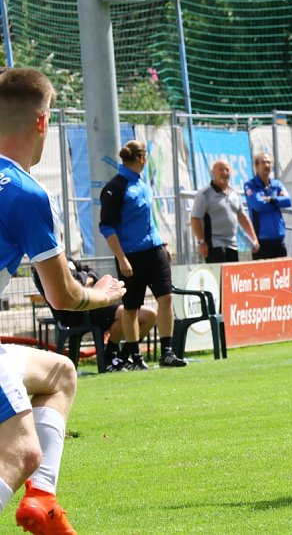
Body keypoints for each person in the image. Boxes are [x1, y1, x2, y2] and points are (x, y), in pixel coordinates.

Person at [0, 67, 125, 535]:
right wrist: (101, 294)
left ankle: (42, 500)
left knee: (61, 373)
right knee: (21, 452)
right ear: (41, 121)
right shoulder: (24, 192)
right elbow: (64, 296)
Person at [100, 140, 187, 368]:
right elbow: (107, 227)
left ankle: (167, 352)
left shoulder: (142, 184)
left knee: (166, 298)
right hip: (130, 256)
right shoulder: (115, 187)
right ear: (141, 158)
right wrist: (121, 258)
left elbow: (148, 220)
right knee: (131, 308)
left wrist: (162, 243)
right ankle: (136, 357)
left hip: (154, 250)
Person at [32, 259, 157, 373]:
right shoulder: (42, 266)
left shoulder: (67, 259)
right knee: (126, 314)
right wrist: (84, 278)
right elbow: (71, 289)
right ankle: (111, 358)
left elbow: (91, 273)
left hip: (94, 305)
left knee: (150, 315)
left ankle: (120, 357)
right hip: (77, 314)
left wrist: (84, 280)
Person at [191, 159, 259, 263]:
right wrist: (201, 242)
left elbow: (243, 217)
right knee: (219, 273)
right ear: (213, 173)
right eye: (221, 170)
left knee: (232, 273)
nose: (224, 173)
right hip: (215, 246)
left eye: (227, 170)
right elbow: (195, 218)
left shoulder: (234, 194)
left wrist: (254, 239)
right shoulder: (204, 194)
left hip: (232, 246)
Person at [244, 153, 292, 260]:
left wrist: (271, 200)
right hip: (261, 242)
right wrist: (278, 202)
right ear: (256, 166)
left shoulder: (277, 184)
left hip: (279, 241)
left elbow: (288, 201)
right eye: (263, 162)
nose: (267, 165)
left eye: (269, 162)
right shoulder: (250, 185)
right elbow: (259, 205)